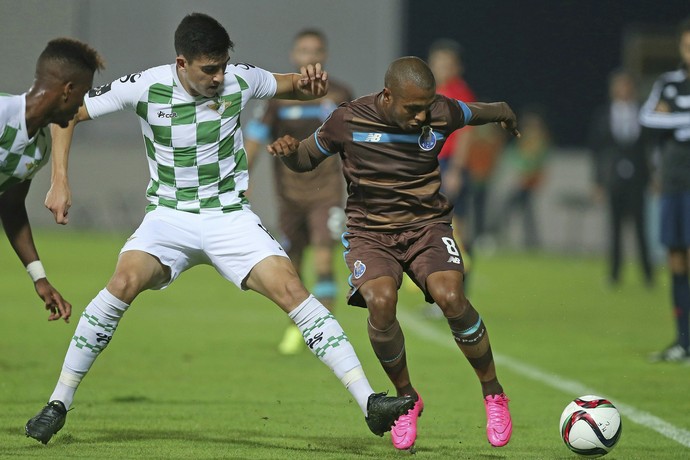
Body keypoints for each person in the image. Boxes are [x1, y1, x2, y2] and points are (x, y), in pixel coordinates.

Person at [25, 13, 414, 445]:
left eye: (223, 66)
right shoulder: (143, 86)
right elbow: (66, 114)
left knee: (293, 292)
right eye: (209, 69)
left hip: (229, 217)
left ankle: (369, 403)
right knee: (121, 282)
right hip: (169, 218)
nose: (219, 77)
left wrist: (311, 81)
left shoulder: (240, 80)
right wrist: (59, 179)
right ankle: (59, 401)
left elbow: (290, 83)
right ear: (181, 62)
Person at [267, 56, 517, 451]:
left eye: (426, 107)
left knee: (452, 297)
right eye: (412, 108)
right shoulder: (347, 121)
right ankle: (406, 400)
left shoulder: (441, 111)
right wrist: (287, 153)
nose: (422, 117)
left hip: (427, 228)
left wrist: (504, 112)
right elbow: (305, 158)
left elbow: (480, 111)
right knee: (381, 303)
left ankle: (493, 393)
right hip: (371, 234)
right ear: (387, 95)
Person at [244, 29, 352, 355]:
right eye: (304, 50)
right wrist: (240, 179)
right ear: (294, 55)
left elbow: (354, 143)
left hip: (326, 193)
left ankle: (324, 334)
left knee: (323, 260)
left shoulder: (340, 94)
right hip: (289, 195)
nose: (310, 56)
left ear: (325, 55)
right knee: (292, 264)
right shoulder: (277, 98)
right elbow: (254, 141)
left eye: (316, 50)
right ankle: (298, 325)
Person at [1, 38, 104, 324]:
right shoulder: (1, 115)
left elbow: (10, 206)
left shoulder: (41, 147)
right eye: (82, 94)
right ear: (67, 90)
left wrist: (40, 278)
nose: (81, 107)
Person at [640, 16, 690, 362]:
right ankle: (682, 340)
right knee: (675, 257)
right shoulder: (669, 83)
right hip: (674, 178)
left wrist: (672, 118)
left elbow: (662, 119)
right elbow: (647, 118)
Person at [589, 70, 653, 286]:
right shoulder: (604, 114)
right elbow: (597, 150)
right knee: (614, 228)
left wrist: (654, 176)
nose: (624, 90)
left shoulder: (643, 112)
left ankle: (648, 275)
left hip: (638, 177)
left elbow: (649, 148)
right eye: (620, 86)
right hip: (613, 178)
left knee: (640, 227)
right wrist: (597, 182)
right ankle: (615, 274)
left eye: (627, 86)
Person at [428, 39, 476, 266]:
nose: (442, 68)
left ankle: (459, 290)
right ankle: (437, 294)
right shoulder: (427, 92)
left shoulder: (461, 93)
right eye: (438, 63)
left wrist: (456, 171)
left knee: (455, 226)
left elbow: (466, 135)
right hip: (429, 164)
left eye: (448, 64)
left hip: (449, 165)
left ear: (457, 67)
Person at [498, 106, 550, 249]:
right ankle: (530, 241)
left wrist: (525, 172)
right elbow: (514, 155)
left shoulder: (539, 139)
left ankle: (529, 241)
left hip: (529, 182)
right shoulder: (525, 139)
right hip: (523, 182)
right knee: (522, 212)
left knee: (518, 211)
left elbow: (536, 161)